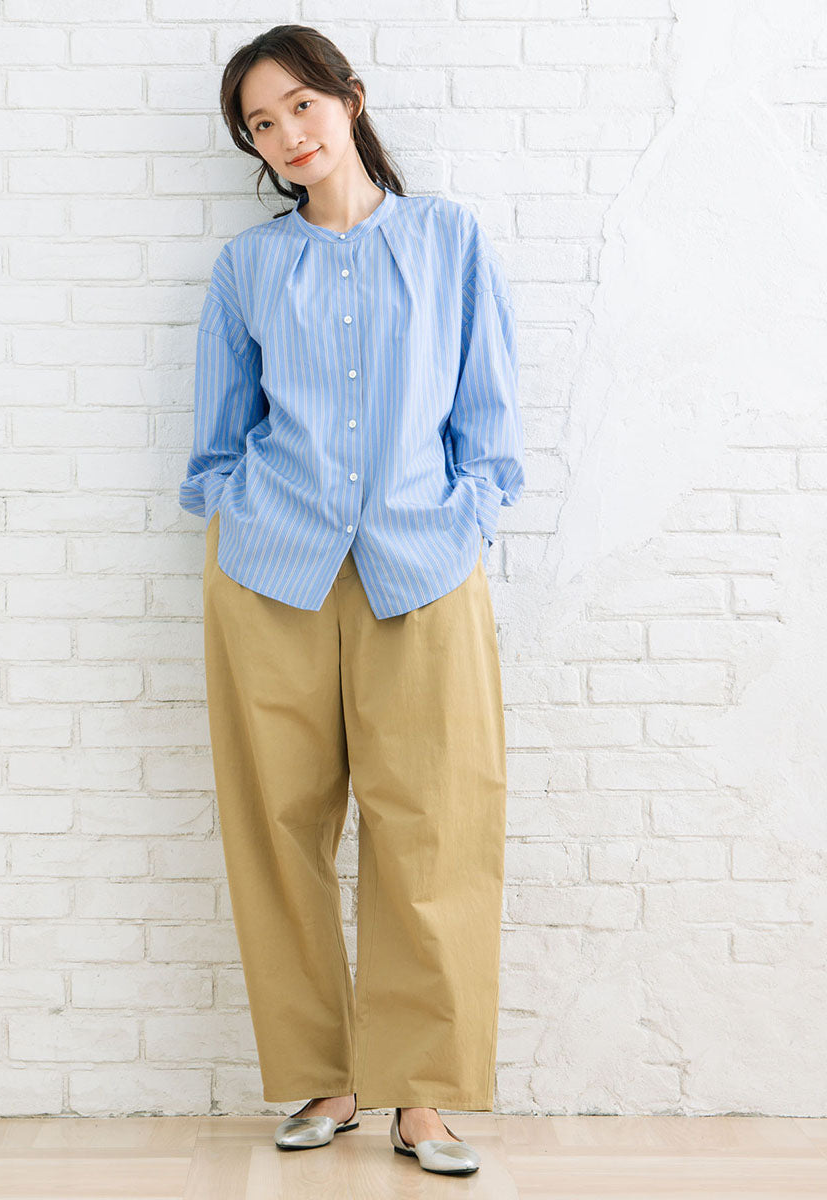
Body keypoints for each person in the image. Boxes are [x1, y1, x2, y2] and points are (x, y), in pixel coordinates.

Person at [179, 23, 524, 1180]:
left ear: (350, 99)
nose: (286, 135)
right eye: (260, 125)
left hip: (421, 569)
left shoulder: (445, 239)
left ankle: (420, 1097)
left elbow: (488, 422)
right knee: (276, 827)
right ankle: (323, 1077)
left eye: (299, 106)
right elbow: (216, 440)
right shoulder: (248, 268)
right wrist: (235, 511)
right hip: (270, 573)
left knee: (435, 823)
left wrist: (466, 516)